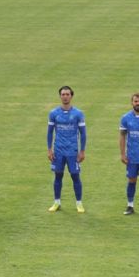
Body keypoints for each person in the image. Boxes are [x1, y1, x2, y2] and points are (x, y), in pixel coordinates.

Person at [47, 85, 87, 213]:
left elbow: (83, 133)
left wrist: (82, 151)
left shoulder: (78, 114)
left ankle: (79, 203)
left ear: (71, 96)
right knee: (58, 176)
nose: (65, 96)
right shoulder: (54, 113)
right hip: (58, 150)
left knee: (75, 176)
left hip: (72, 151)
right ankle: (56, 202)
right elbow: (49, 132)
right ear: (60, 96)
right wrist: (49, 149)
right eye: (63, 94)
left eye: (67, 94)